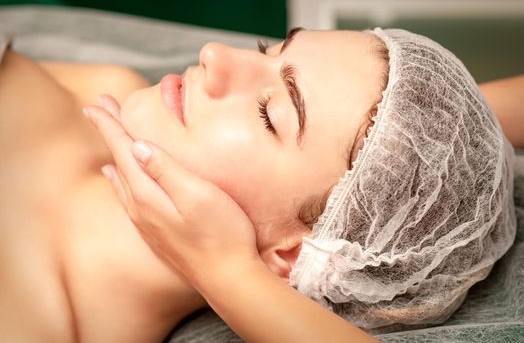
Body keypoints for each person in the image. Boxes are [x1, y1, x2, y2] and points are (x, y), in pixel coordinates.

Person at [0, 25, 521, 342]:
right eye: (268, 50)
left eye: (268, 113)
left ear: (292, 255)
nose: (214, 56)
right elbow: (409, 145)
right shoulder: (102, 89)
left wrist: (228, 269)